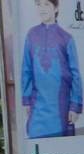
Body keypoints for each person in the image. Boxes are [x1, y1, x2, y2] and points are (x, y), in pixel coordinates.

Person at [22, 0, 83, 139]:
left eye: (46, 4)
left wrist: (74, 106)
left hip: (61, 105)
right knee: (36, 144)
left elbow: (75, 75)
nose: (42, 9)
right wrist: (26, 100)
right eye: (39, 5)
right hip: (37, 105)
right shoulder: (31, 35)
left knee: (60, 151)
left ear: (56, 8)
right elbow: (27, 69)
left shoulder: (67, 38)